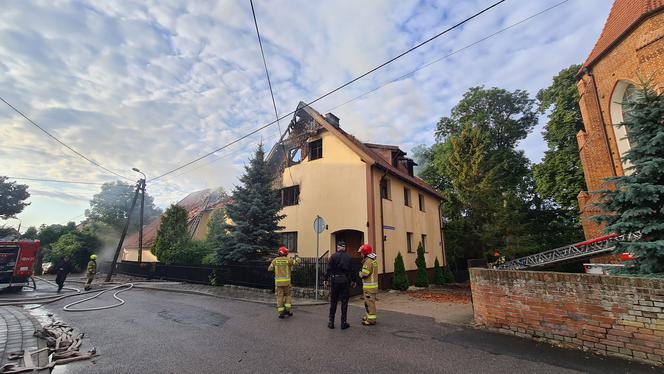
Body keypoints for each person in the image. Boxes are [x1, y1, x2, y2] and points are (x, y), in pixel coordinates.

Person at [324, 240, 355, 329]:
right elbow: (352, 271)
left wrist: (326, 279)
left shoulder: (333, 256)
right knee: (344, 303)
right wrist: (354, 281)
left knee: (333, 302)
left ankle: (331, 322)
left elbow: (328, 269)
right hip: (345, 281)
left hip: (335, 281)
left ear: (338, 247)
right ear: (344, 248)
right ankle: (343, 323)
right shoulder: (348, 258)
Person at [268, 246, 301, 318]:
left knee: (279, 297)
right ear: (286, 253)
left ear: (279, 253)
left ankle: (281, 313)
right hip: (287, 283)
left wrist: (276, 269)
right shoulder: (288, 260)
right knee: (288, 296)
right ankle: (287, 311)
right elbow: (297, 263)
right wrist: (297, 258)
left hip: (278, 283)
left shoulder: (275, 260)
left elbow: (269, 269)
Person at [358, 244, 379, 326]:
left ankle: (371, 320)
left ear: (365, 252)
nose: (361, 254)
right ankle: (368, 316)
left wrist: (360, 273)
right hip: (372, 287)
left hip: (369, 287)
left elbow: (365, 274)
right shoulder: (373, 260)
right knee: (368, 303)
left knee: (370, 303)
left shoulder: (368, 261)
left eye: (362, 253)